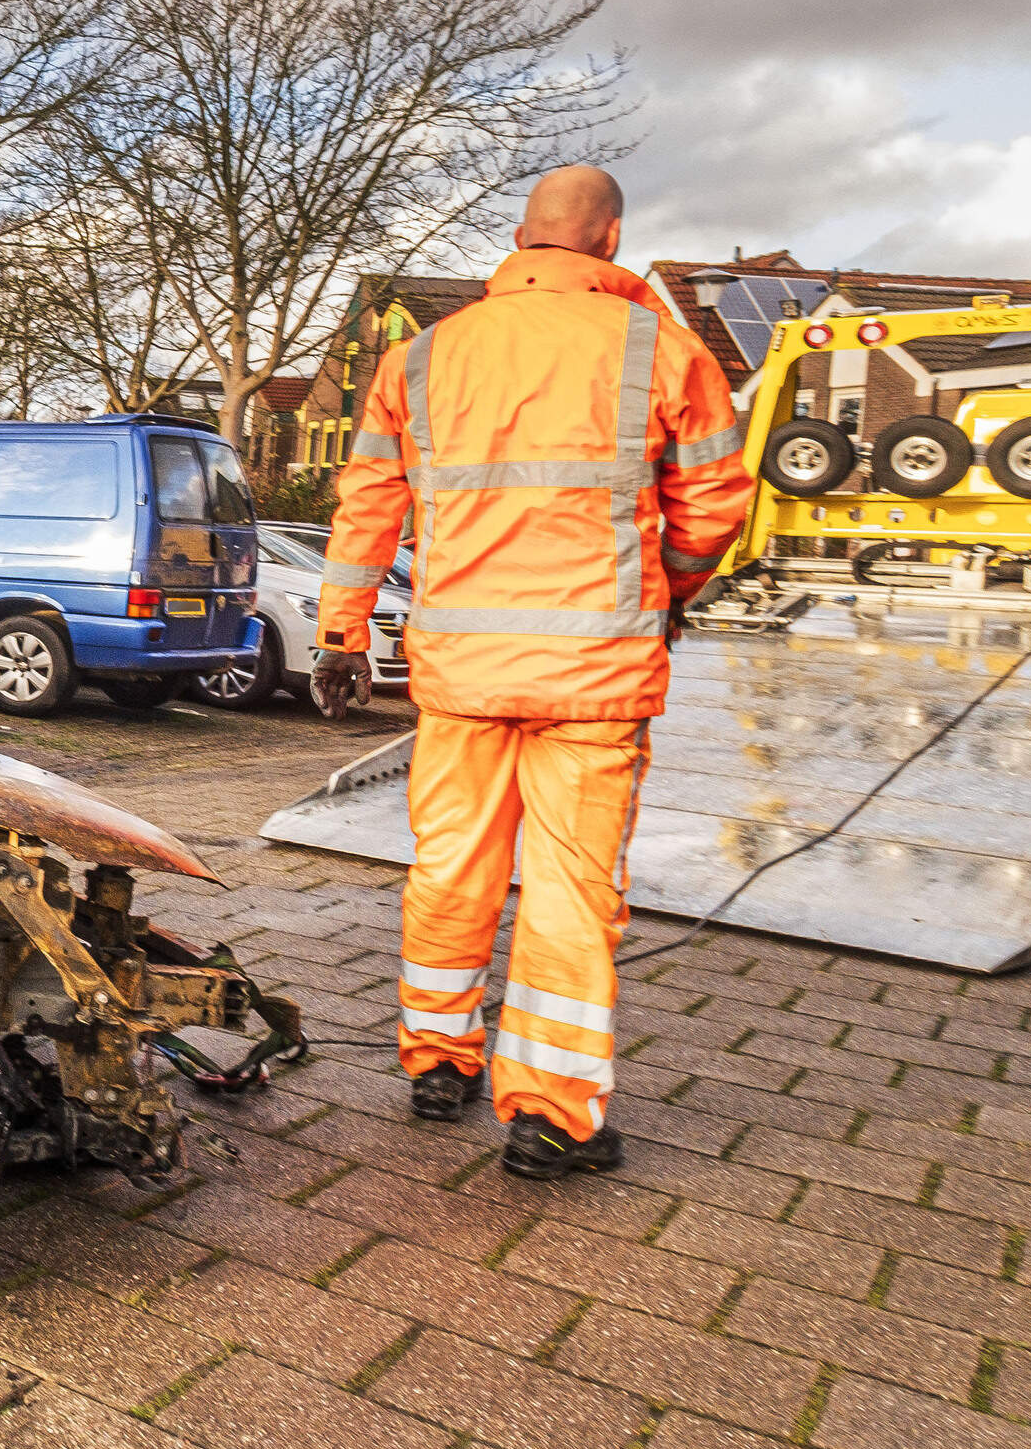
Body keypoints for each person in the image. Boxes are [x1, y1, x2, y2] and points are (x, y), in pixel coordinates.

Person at [311, 166, 755, 1180]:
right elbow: (717, 505)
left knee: (451, 866)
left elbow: (367, 504)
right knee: (571, 887)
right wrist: (669, 596)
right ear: (609, 241)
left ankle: (436, 1059)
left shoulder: (423, 358)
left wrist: (340, 634)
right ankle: (553, 1117)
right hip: (595, 672)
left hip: (461, 670)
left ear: (521, 238)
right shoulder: (662, 349)